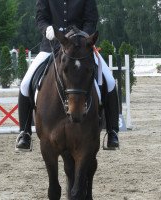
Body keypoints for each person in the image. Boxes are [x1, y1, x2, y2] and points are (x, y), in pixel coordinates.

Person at [15, 0, 119, 151]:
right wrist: (47, 29)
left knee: (109, 81)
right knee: (25, 84)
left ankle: (112, 132)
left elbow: (91, 19)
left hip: (80, 47)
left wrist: (82, 37)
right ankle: (24, 133)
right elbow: (41, 18)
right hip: (52, 45)